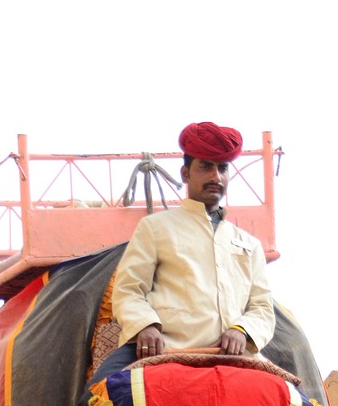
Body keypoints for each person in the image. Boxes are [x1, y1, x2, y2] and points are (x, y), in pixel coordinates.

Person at [89, 121, 276, 387]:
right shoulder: (154, 228)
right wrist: (145, 326)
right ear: (186, 173)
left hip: (237, 353)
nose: (216, 177)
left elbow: (262, 308)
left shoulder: (249, 243)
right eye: (205, 167)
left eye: (222, 168)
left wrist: (241, 330)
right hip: (165, 347)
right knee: (95, 400)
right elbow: (128, 290)